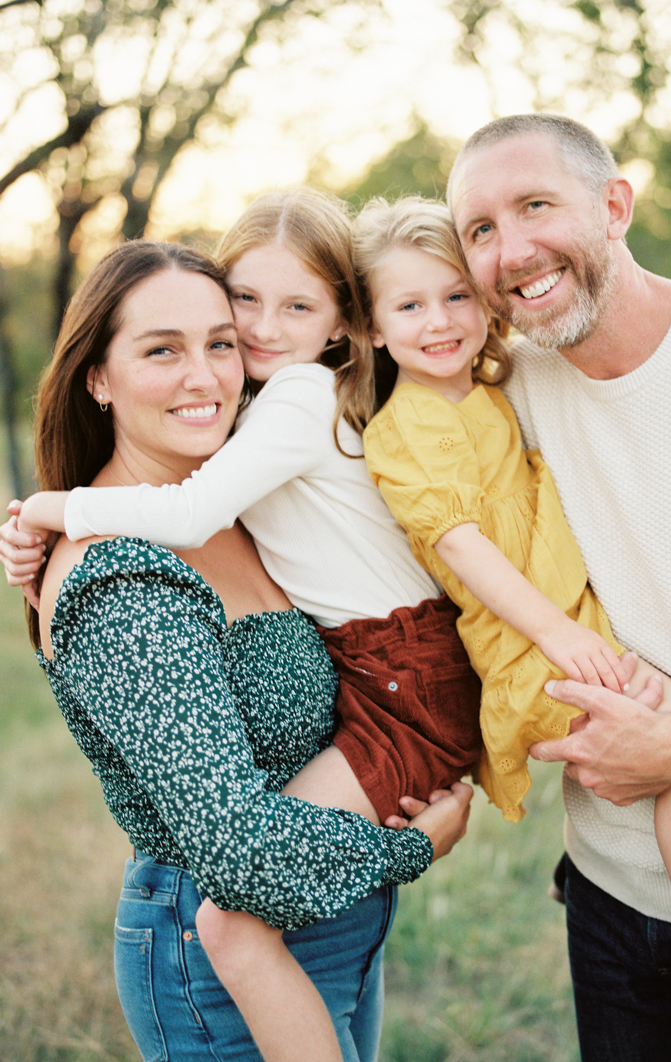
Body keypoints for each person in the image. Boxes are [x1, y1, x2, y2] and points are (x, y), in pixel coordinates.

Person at [2, 238, 472, 1062]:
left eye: (221, 343)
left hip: (334, 919)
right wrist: (417, 845)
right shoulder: (124, 579)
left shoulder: (238, 502)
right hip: (217, 947)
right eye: (162, 351)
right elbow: (237, 846)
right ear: (97, 378)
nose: (205, 376)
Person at [350, 192, 671, 1051]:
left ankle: (625, 888)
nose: (438, 322)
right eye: (408, 306)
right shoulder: (404, 431)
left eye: (455, 298)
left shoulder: (492, 390)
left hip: (569, 625)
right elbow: (466, 551)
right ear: (368, 327)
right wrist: (560, 636)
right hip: (529, 647)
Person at [446, 112, 671, 1062]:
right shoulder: (499, 390)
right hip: (608, 898)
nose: (511, 250)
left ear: (614, 204)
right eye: (479, 230)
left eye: (534, 206)